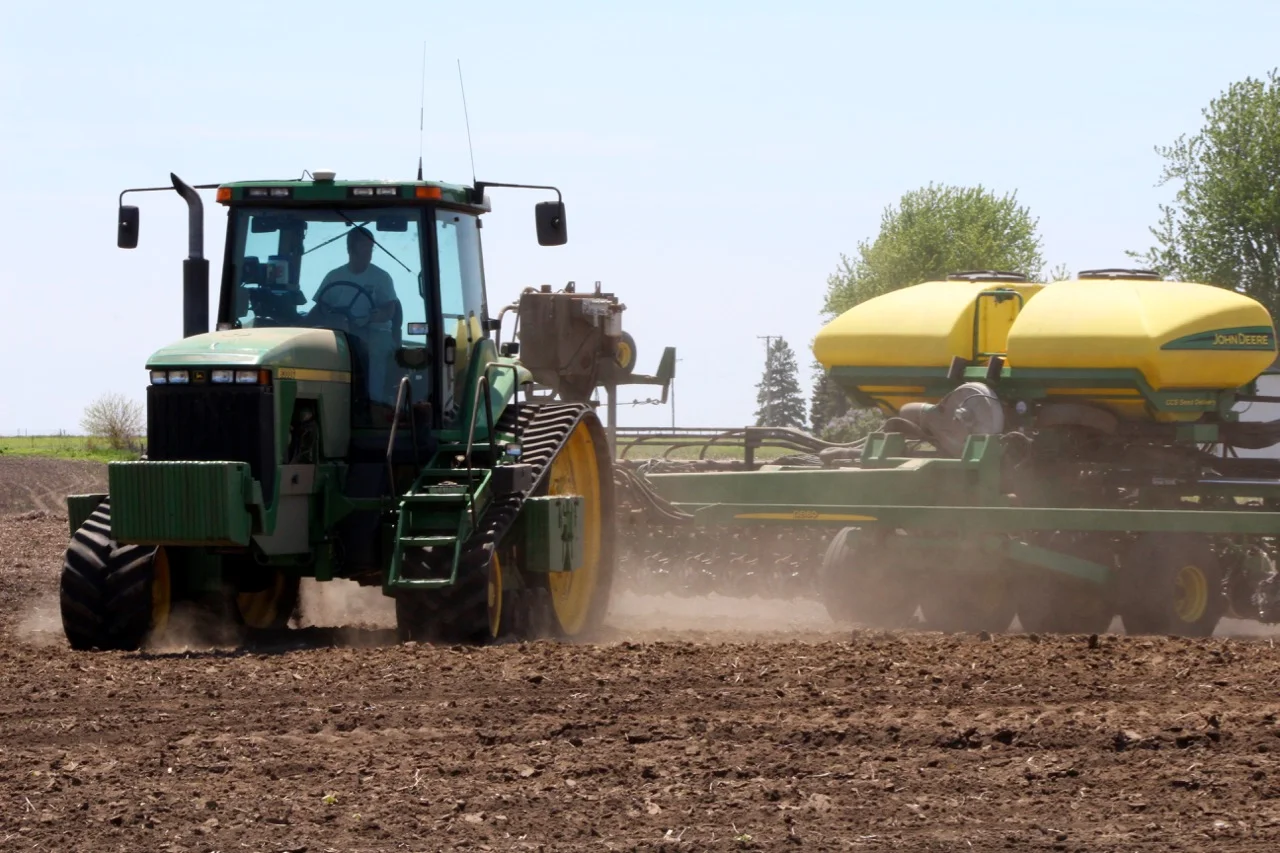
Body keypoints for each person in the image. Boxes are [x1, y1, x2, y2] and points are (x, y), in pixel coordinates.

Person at [316, 227, 401, 404]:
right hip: (342, 332)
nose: (369, 252)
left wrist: (377, 315)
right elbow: (320, 308)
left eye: (371, 248)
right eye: (364, 247)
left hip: (375, 330)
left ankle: (374, 402)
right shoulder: (334, 276)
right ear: (351, 249)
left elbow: (390, 309)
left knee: (374, 351)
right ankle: (329, 399)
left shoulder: (381, 277)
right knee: (319, 351)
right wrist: (300, 325)